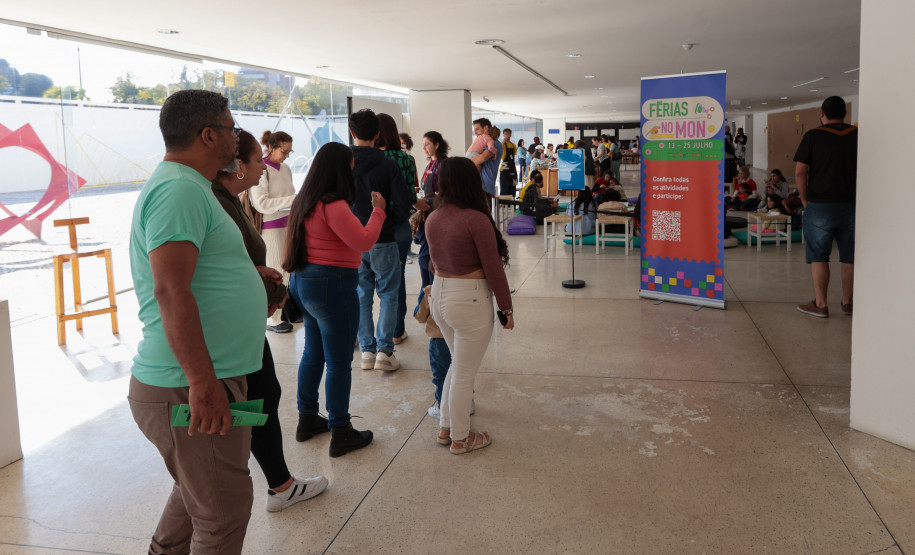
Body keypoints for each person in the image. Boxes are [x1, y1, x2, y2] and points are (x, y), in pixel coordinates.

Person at [128, 89, 264, 554]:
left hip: (205, 377)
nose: (236, 139)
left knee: (197, 491)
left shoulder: (190, 187)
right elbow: (170, 289)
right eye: (232, 129)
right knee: (222, 512)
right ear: (209, 135)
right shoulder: (180, 189)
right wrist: (203, 383)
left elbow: (193, 273)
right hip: (189, 384)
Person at [211, 130, 328, 511]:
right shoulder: (208, 199)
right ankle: (254, 481)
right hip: (228, 325)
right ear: (238, 164)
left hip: (241, 319)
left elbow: (230, 258)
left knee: (263, 395)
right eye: (259, 159)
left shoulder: (223, 198)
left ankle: (275, 481)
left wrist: (258, 273)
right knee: (253, 400)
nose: (264, 165)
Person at [283, 142, 387, 457]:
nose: (353, 171)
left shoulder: (305, 200)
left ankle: (307, 418)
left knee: (313, 353)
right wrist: (378, 210)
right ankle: (341, 430)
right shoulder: (333, 204)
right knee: (340, 361)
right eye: (351, 166)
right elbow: (364, 240)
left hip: (305, 282)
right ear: (340, 169)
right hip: (333, 284)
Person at [425, 157, 514, 454]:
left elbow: (430, 261)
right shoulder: (475, 219)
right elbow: (493, 268)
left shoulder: (433, 217)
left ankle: (446, 428)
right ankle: (461, 439)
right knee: (464, 372)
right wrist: (506, 308)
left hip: (440, 294)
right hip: (470, 299)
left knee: (457, 365)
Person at [350, 109, 412, 371]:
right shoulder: (388, 163)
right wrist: (390, 216)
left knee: (362, 294)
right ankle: (385, 352)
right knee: (388, 294)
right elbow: (405, 199)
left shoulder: (344, 162)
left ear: (352, 133)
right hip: (383, 236)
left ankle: (366, 351)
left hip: (352, 238)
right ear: (377, 134)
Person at [794, 96, 857, 318]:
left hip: (819, 205)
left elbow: (800, 172)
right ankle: (848, 302)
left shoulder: (813, 135)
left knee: (819, 256)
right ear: (845, 113)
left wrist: (804, 200)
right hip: (851, 205)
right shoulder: (857, 135)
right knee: (850, 256)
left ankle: (821, 304)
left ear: (822, 114)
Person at [375, 113, 421, 346]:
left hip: (369, 226)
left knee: (364, 283)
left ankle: (364, 337)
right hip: (398, 226)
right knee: (397, 280)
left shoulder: (365, 159)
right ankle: (396, 331)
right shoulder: (405, 160)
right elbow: (412, 194)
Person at [249, 131, 297, 334]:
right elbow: (261, 204)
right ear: (271, 147)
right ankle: (273, 317)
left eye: (289, 151)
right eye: (283, 151)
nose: (286, 155)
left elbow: (288, 196)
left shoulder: (285, 168)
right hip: (270, 228)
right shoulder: (262, 169)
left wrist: (292, 201)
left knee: (288, 269)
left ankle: (285, 311)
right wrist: (293, 200)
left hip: (288, 224)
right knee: (276, 269)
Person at [416, 130, 449, 289]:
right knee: (424, 255)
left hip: (436, 213)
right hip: (425, 211)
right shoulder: (430, 163)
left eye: (427, 144)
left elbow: (445, 190)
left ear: (437, 144)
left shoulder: (444, 164)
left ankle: (429, 291)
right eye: (423, 145)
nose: (424, 148)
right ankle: (427, 289)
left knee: (427, 255)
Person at [466, 117, 499, 195]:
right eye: (474, 130)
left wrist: (466, 162)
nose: (475, 132)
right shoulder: (484, 140)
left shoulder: (494, 143)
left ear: (486, 128)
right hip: (482, 185)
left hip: (486, 186)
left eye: (477, 129)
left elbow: (482, 158)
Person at [499, 128, 518, 197]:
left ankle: (512, 206)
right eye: (505, 134)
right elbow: (500, 148)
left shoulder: (513, 145)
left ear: (510, 135)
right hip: (504, 169)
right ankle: (502, 206)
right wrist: (504, 140)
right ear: (503, 135)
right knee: (504, 189)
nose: (507, 135)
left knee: (513, 189)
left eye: (508, 134)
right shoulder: (502, 144)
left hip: (512, 168)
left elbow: (514, 156)